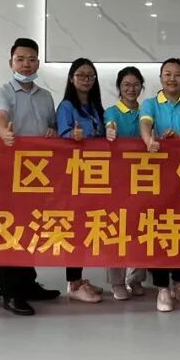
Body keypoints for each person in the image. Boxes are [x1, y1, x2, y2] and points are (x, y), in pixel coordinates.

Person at [0, 38, 63, 310]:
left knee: (31, 227)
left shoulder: (46, 96)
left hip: (38, 174)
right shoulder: (3, 92)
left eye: (31, 59)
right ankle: (10, 293)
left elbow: (53, 127)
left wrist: (53, 132)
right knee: (9, 229)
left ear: (38, 63)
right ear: (11, 63)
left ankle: (28, 282)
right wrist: (3, 132)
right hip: (9, 173)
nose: (26, 65)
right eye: (20, 59)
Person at [140, 58, 180, 312]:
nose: (172, 79)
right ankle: (162, 288)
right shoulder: (150, 103)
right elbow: (145, 124)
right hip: (157, 177)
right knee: (158, 230)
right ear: (160, 77)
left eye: (177, 75)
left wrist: (179, 139)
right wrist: (149, 140)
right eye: (167, 74)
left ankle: (179, 282)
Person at [56, 58, 107, 303]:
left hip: (94, 175)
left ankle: (79, 278)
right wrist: (73, 135)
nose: (86, 80)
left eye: (90, 76)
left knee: (87, 226)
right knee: (74, 228)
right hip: (73, 175)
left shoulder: (96, 106)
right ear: (71, 78)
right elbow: (62, 135)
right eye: (81, 75)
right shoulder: (66, 106)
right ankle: (73, 283)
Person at [103, 66, 148, 299]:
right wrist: (110, 132)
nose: (131, 89)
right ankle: (117, 281)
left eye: (136, 84)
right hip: (118, 179)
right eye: (126, 85)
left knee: (143, 227)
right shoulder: (112, 111)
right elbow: (110, 126)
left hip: (144, 178)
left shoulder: (147, 111)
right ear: (119, 88)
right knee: (117, 228)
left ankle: (136, 278)